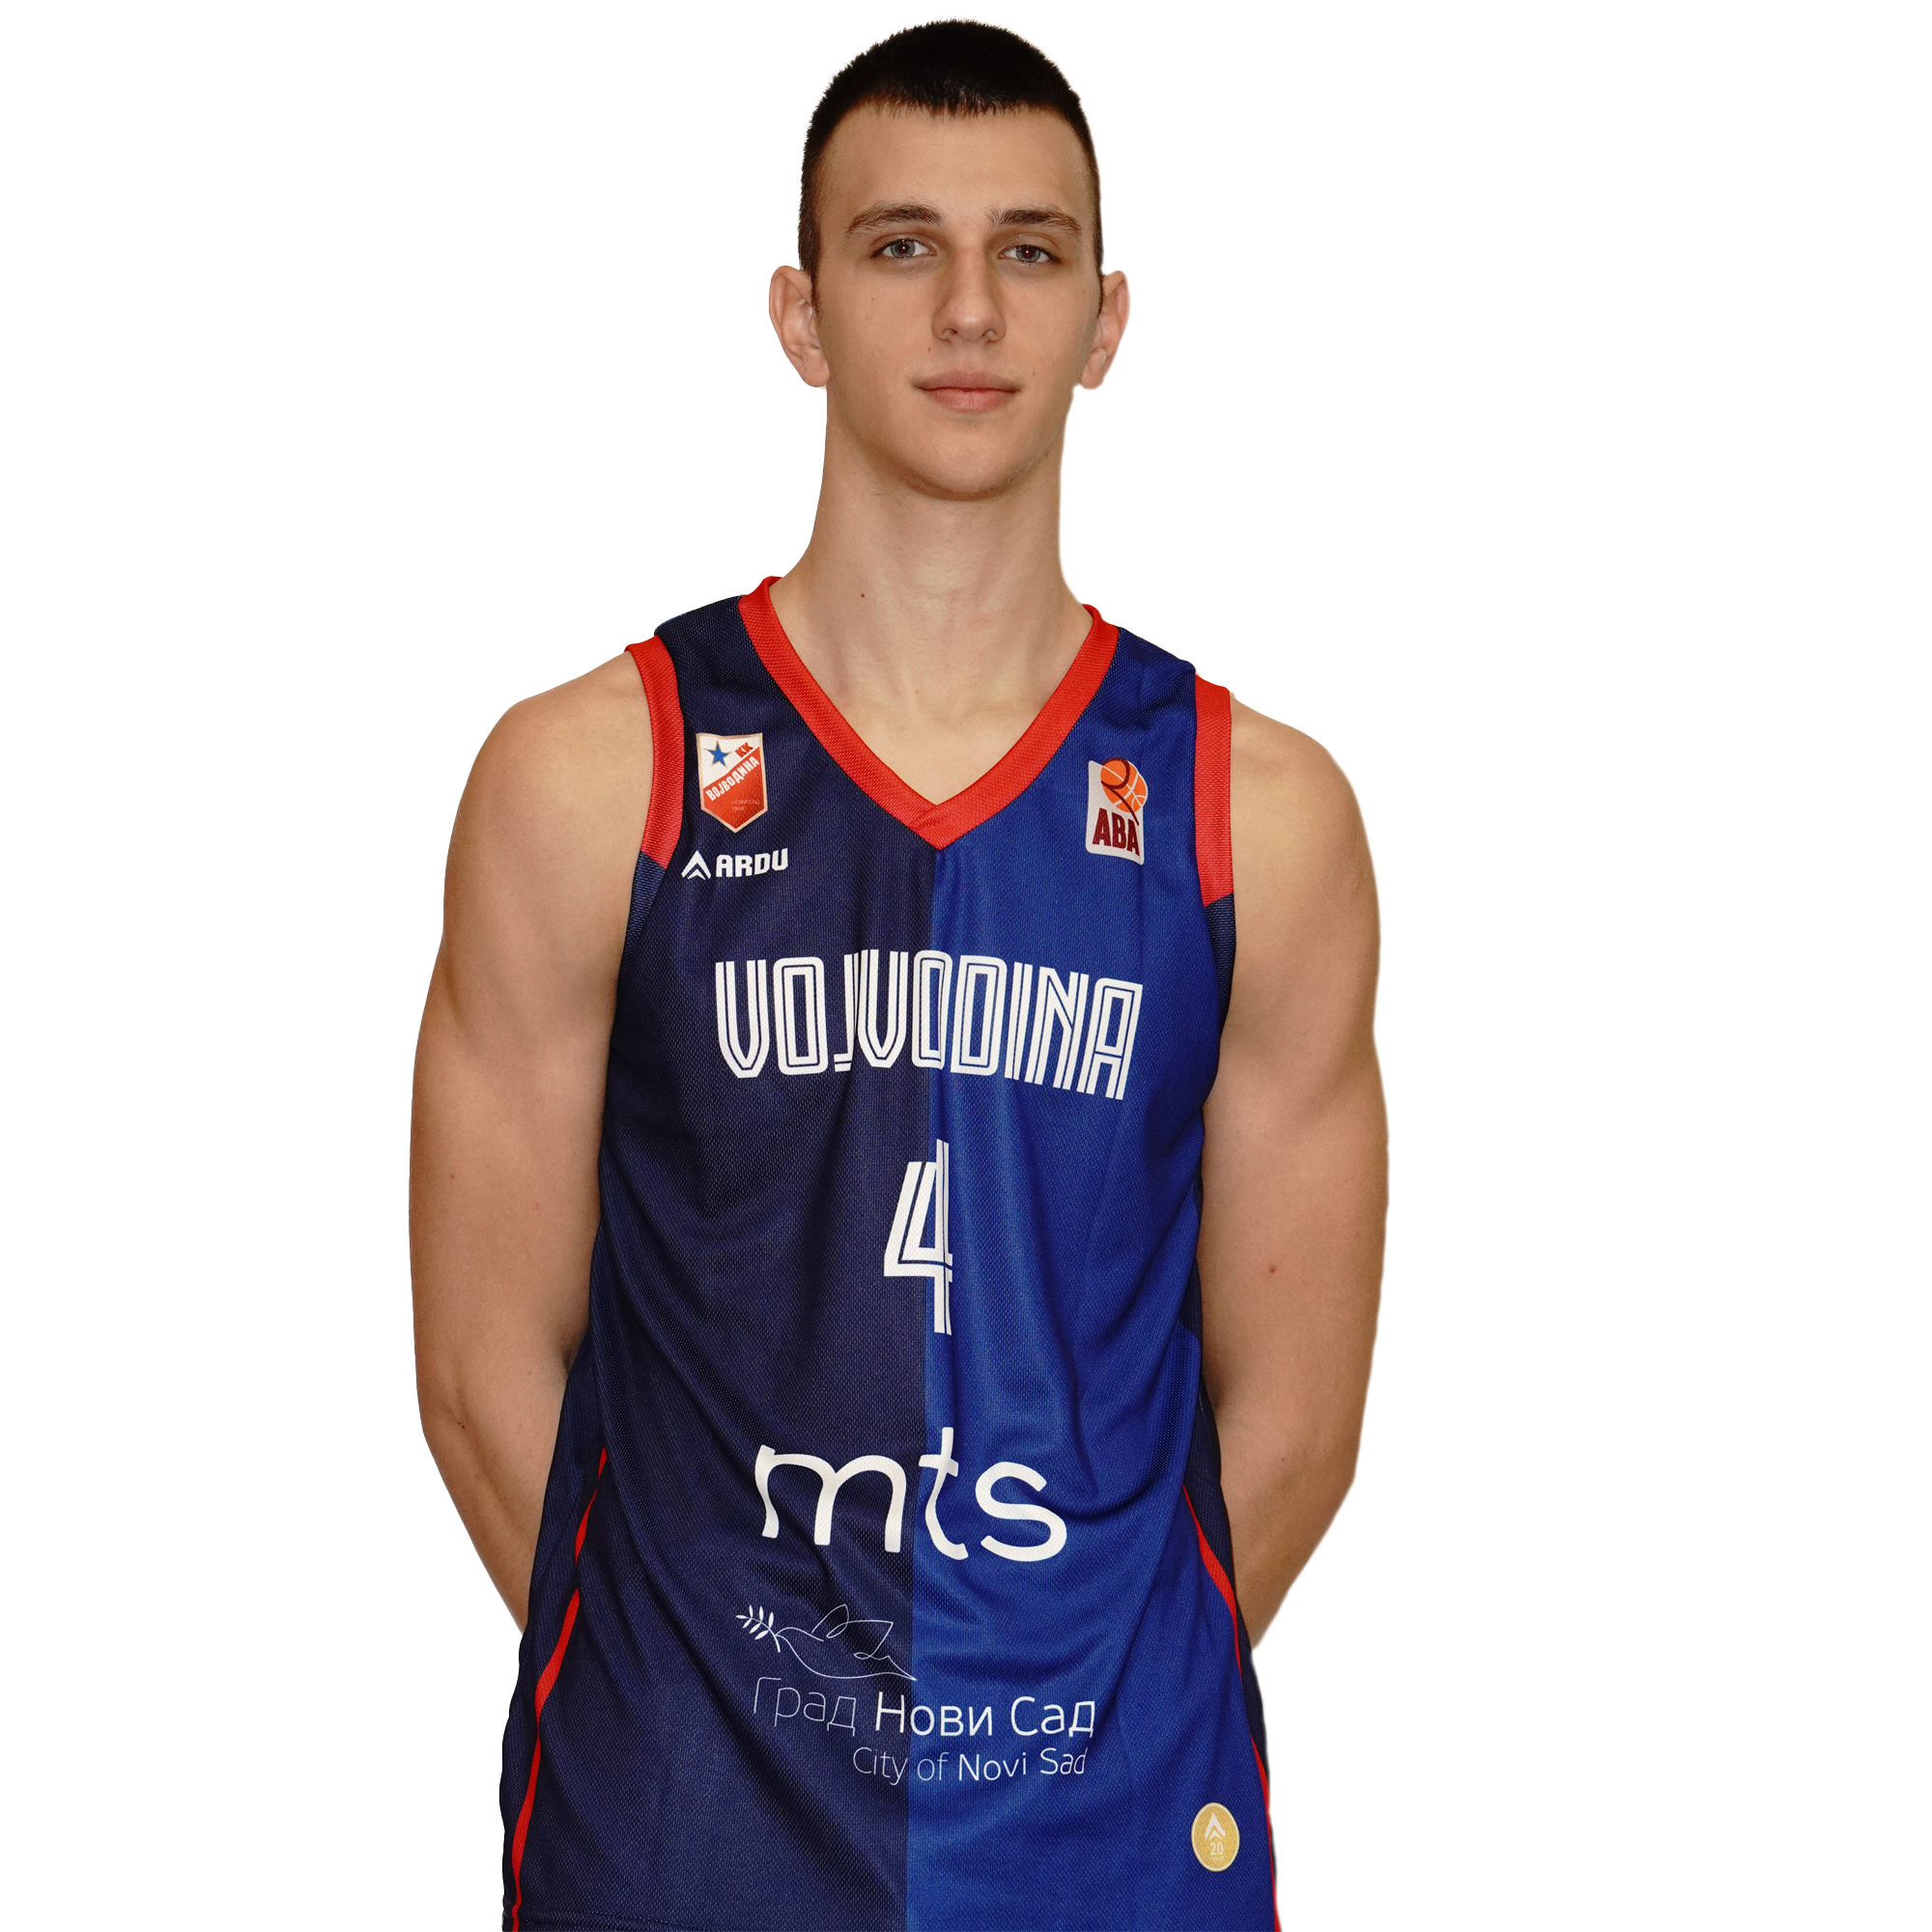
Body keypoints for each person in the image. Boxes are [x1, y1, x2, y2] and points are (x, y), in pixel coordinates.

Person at [411, 18, 1388, 1930]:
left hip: (1101, 1836)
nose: (968, 309)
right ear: (801, 314)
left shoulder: (1251, 819)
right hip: (686, 1825)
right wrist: (724, 1697)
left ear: (1105, 320)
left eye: (1029, 250)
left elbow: (1297, 1420)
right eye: (899, 246)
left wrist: (1038, 1717)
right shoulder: (591, 779)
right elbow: (475, 1371)